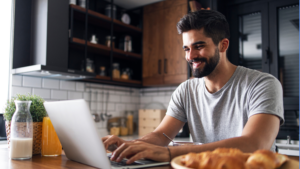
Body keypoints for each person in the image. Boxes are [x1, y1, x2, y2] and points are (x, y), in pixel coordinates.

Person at [102, 10, 284, 164]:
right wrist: (130, 145)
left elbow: (254, 143)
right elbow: (161, 136)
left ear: (223, 45)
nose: (191, 56)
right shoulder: (185, 90)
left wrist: (170, 154)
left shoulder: (263, 84)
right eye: (187, 49)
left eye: (199, 46)